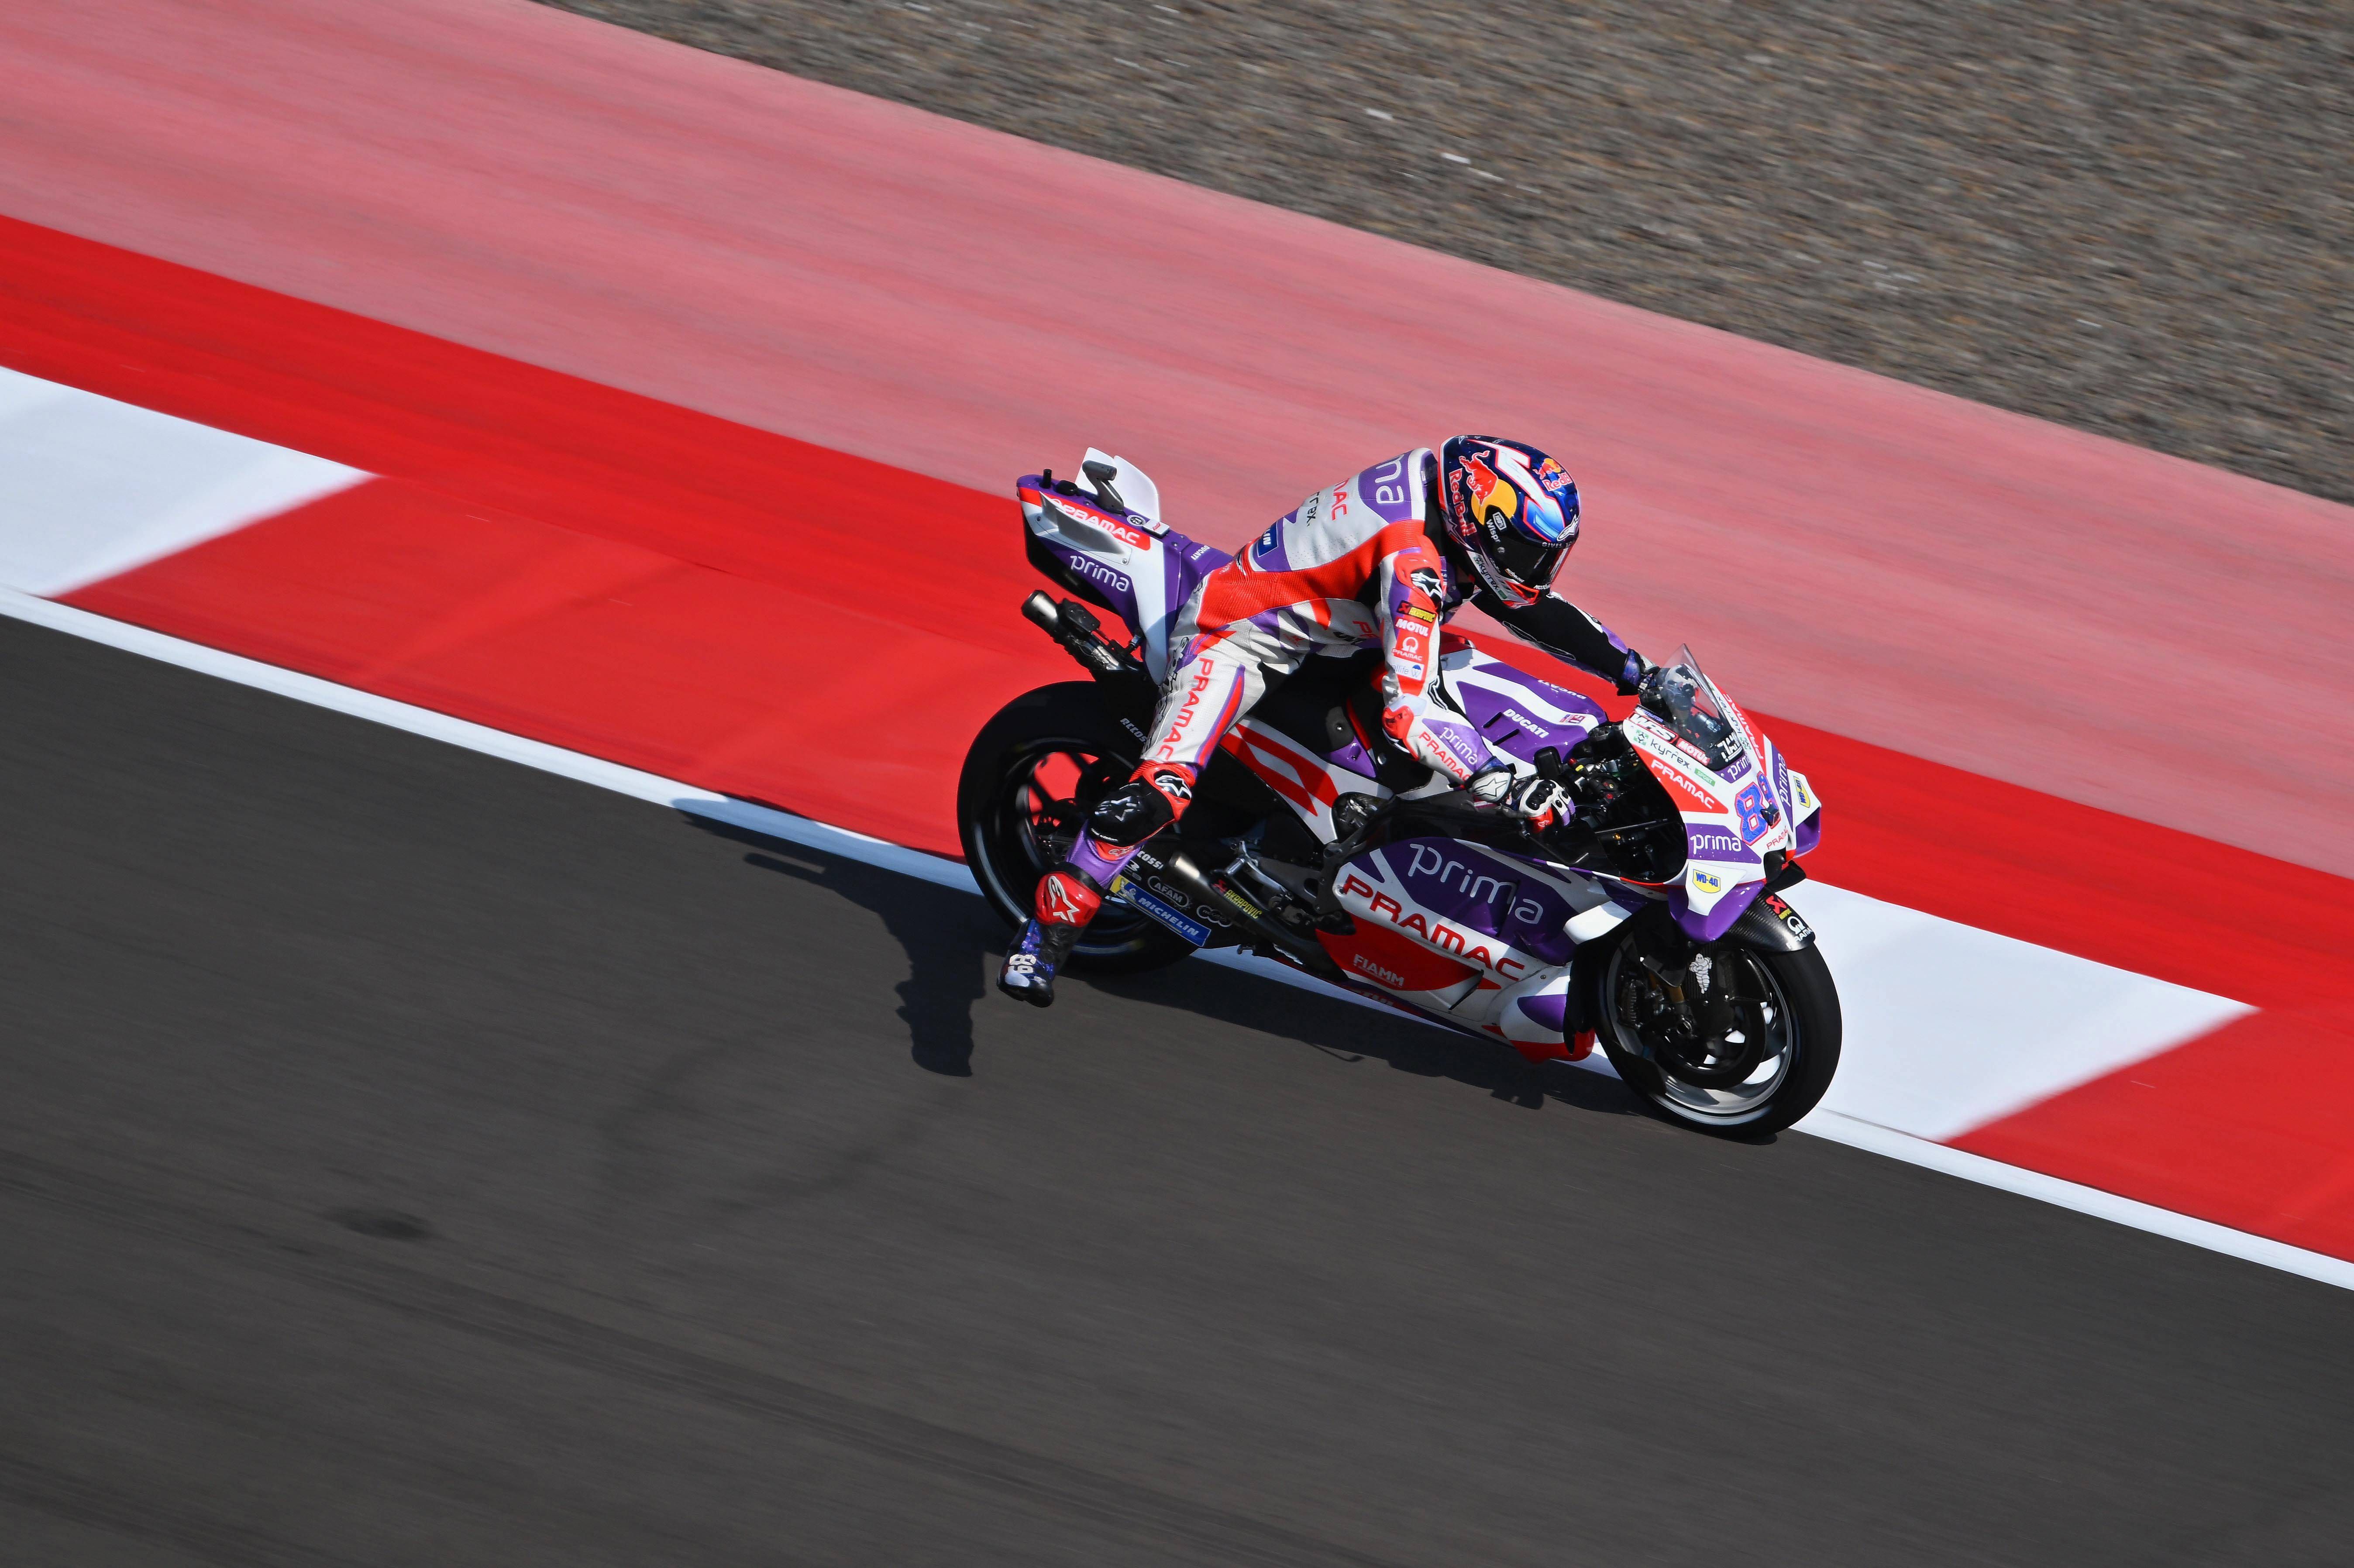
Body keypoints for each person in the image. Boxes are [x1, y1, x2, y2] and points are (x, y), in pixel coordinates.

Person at [998, 436, 1650, 1007]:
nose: (1537, 571)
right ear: (1486, 526)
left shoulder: (1444, 508)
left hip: (1334, 637)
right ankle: (1043, 939)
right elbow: (1410, 713)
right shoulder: (1415, 563)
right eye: (1530, 553)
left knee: (1489, 710)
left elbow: (1527, 606)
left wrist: (1635, 671)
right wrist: (1498, 780)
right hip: (1239, 641)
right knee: (1159, 791)